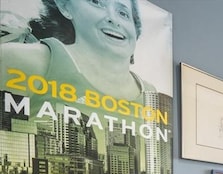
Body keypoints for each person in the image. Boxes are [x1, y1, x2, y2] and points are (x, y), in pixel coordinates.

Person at [0, 0, 154, 103]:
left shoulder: (148, 92)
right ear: (65, 6)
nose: (113, 19)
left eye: (123, 13)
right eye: (96, 2)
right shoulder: (24, 60)